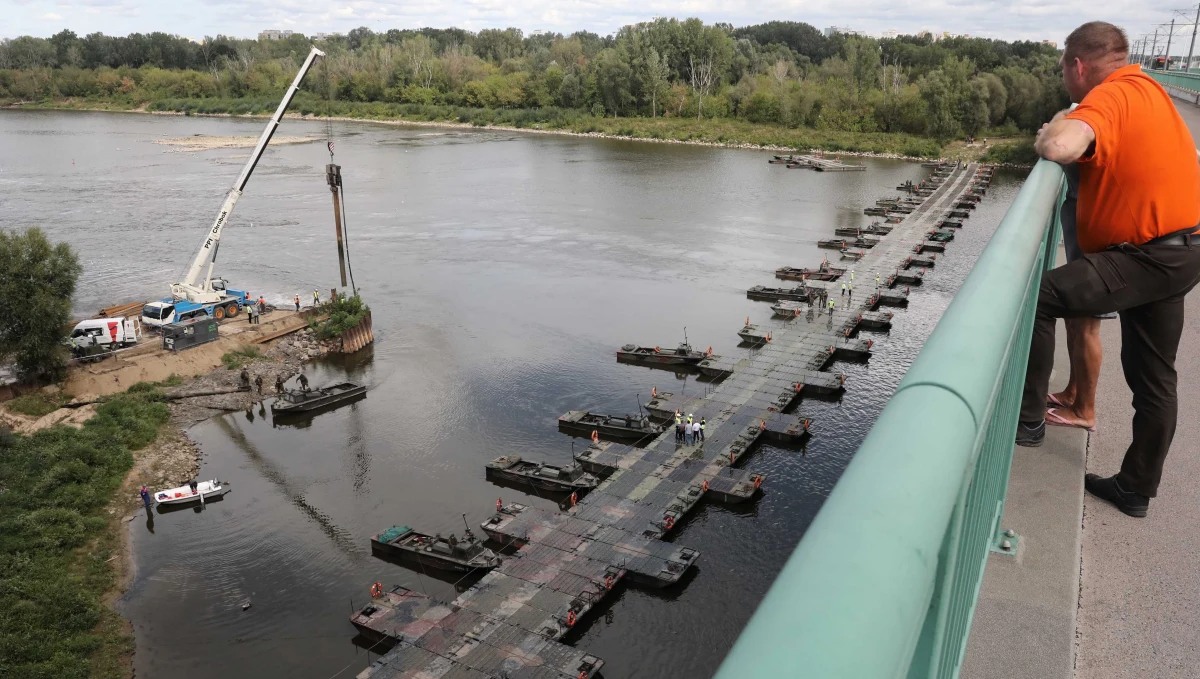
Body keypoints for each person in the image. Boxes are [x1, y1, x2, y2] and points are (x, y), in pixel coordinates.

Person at [1015, 21, 1200, 518]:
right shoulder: (1149, 90)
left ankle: (1029, 419)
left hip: (1144, 255)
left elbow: (1060, 147)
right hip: (1184, 251)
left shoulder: (1110, 97)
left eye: (1062, 70)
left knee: (1033, 296)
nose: (1063, 79)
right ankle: (1135, 489)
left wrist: (1053, 130)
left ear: (1079, 66)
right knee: (1155, 379)